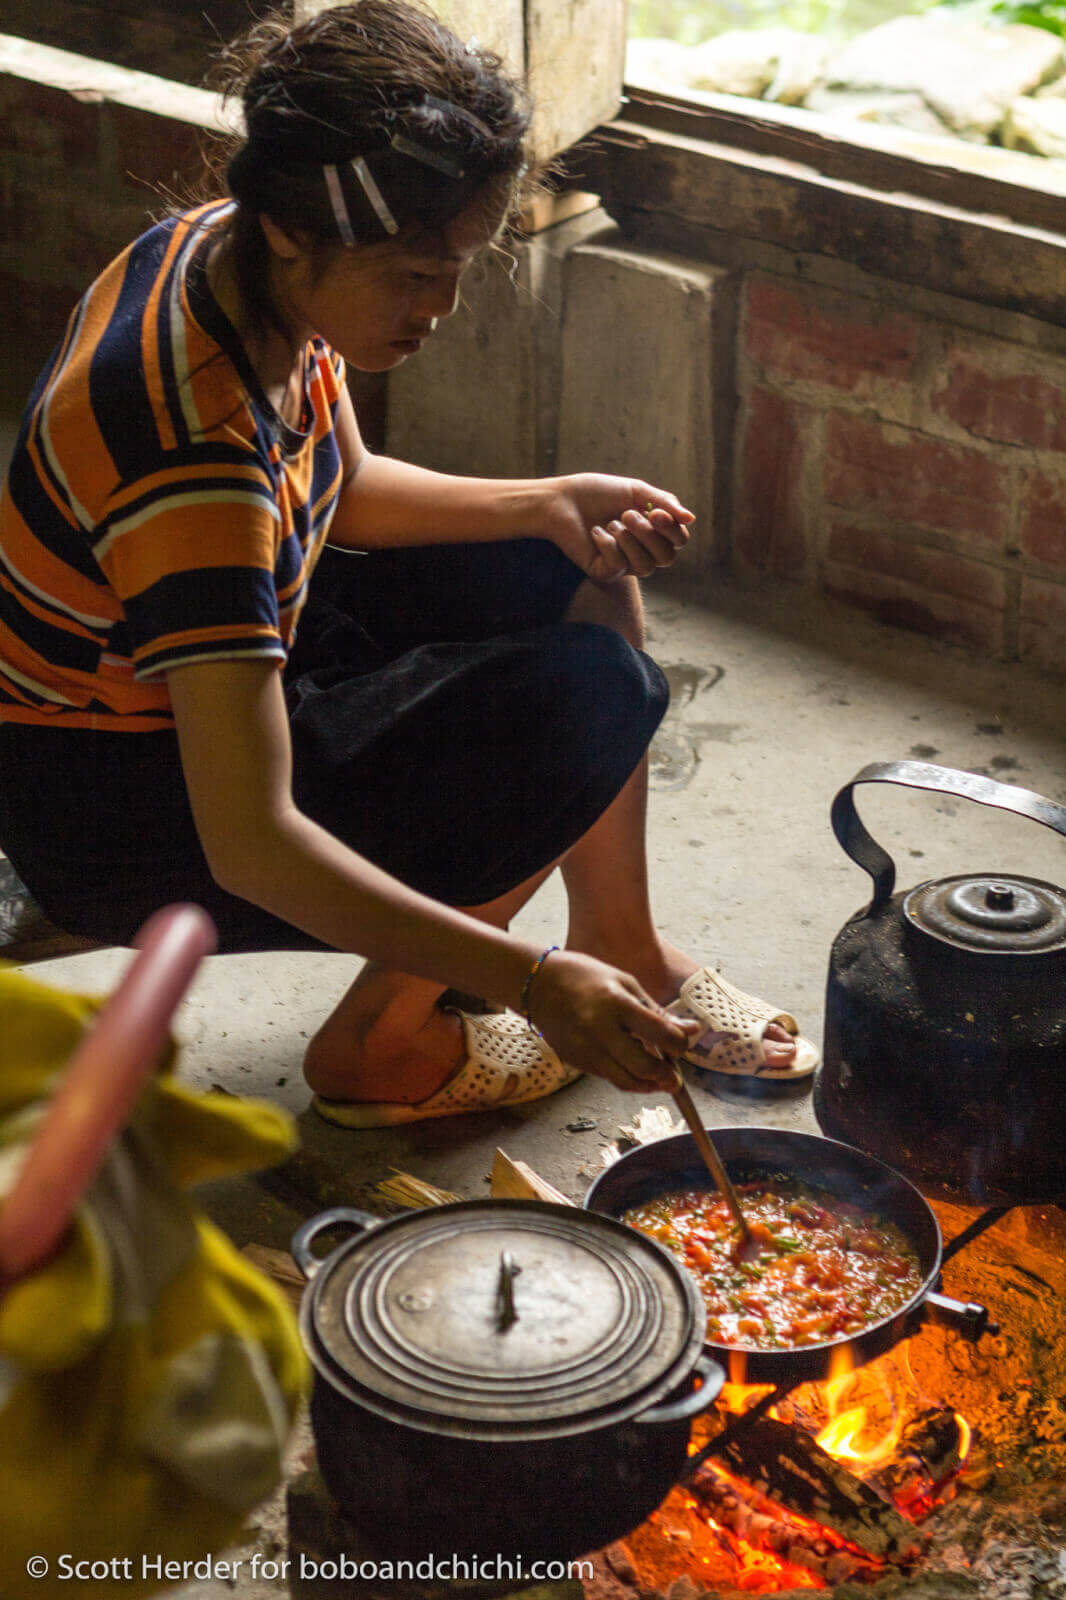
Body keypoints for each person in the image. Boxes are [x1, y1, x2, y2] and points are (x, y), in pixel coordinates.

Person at [0, 0, 818, 1126]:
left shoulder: (224, 255)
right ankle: (384, 1046)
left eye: (457, 268)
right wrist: (524, 983)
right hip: (120, 801)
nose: (437, 308)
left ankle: (618, 938)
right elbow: (251, 845)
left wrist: (549, 501)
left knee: (575, 567)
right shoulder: (190, 449)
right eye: (411, 275)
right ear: (292, 230)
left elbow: (350, 494)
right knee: (579, 702)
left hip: (231, 657)